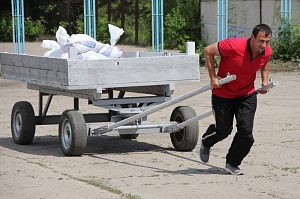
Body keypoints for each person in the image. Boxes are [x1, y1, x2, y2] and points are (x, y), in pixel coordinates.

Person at [199, 24, 272, 175]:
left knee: (246, 133)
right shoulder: (233, 45)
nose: (264, 45)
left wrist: (265, 82)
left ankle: (232, 163)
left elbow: (264, 64)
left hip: (246, 94)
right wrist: (213, 77)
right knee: (223, 131)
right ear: (252, 37)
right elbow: (208, 51)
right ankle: (206, 141)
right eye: (261, 41)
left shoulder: (266, 51)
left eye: (267, 41)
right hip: (223, 95)